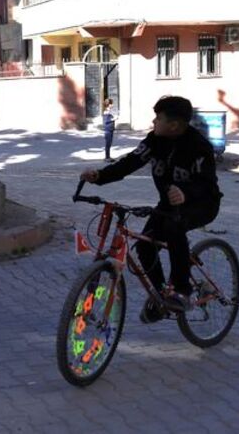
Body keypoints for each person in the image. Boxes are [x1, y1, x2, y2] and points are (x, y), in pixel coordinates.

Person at [80, 96, 223, 323]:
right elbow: (130, 162)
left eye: (158, 118)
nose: (153, 121)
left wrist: (186, 193)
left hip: (202, 204)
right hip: (169, 206)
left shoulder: (199, 147)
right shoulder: (155, 141)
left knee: (174, 227)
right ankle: (161, 298)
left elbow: (207, 184)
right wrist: (99, 176)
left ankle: (182, 291)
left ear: (174, 125)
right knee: (145, 247)